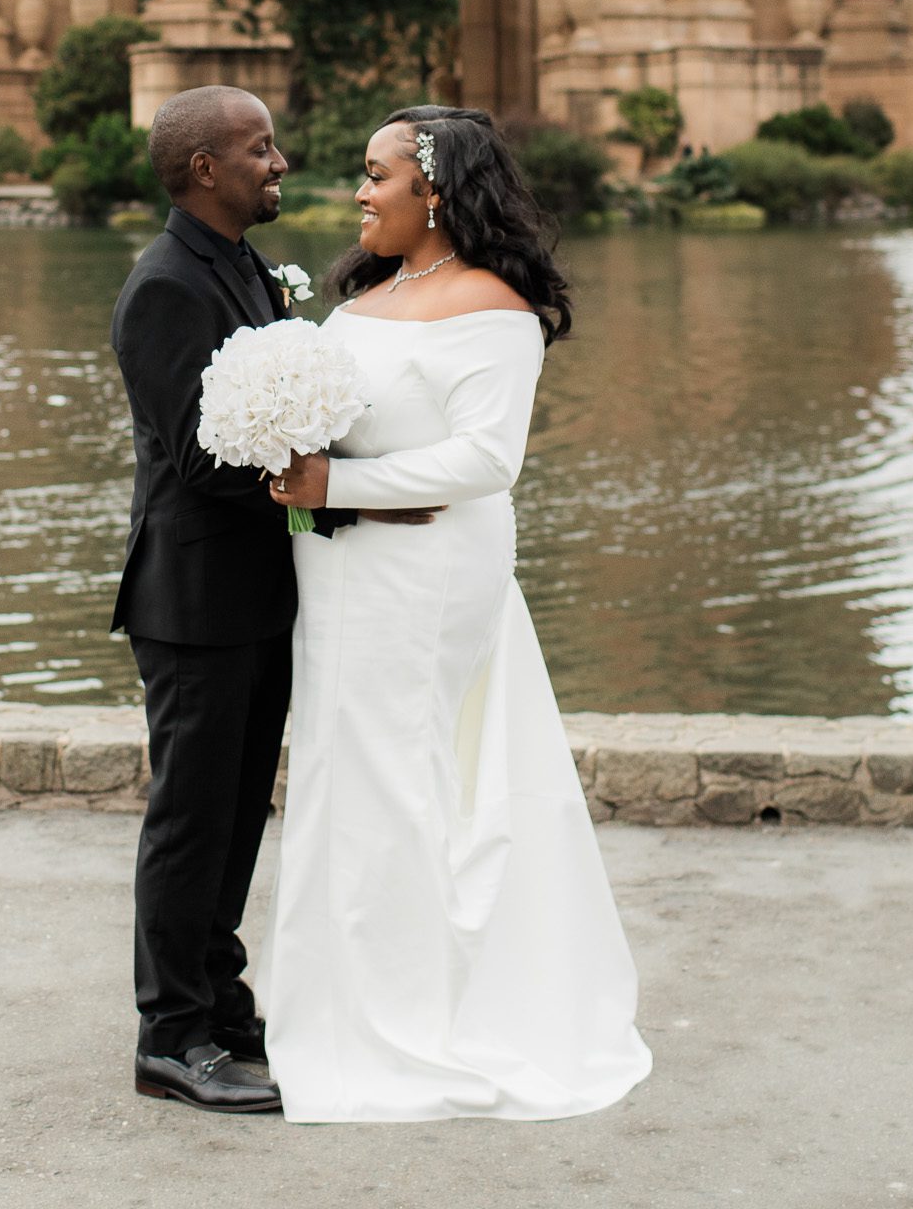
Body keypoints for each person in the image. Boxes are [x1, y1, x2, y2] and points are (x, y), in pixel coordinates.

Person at [265, 105, 652, 1122]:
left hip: (429, 570)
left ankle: (412, 1012)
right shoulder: (365, 298)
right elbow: (331, 440)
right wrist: (295, 489)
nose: (358, 190)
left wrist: (330, 492)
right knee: (345, 771)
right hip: (340, 570)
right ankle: (332, 1001)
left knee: (402, 771)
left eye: (375, 174)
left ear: (432, 189)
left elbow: (488, 460)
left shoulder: (493, 306)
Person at [110, 84, 432, 1115]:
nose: (279, 159)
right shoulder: (165, 284)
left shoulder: (245, 267)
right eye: (259, 147)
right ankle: (170, 1033)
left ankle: (225, 1004)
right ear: (205, 168)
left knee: (240, 810)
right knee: (191, 819)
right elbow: (196, 456)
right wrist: (318, 469)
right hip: (194, 597)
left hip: (256, 591)